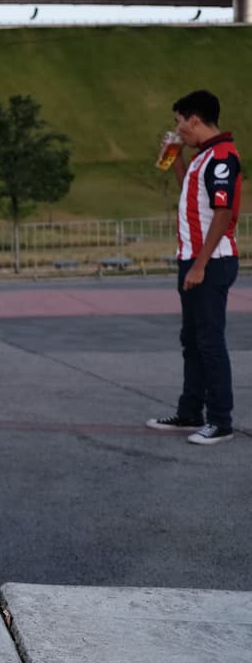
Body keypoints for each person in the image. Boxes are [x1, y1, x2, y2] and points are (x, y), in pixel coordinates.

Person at [146, 90, 241, 445]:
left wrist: (200, 265)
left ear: (195, 119)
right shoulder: (202, 158)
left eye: (179, 121)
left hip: (211, 261)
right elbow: (190, 190)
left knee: (210, 341)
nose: (177, 128)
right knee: (193, 339)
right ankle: (190, 411)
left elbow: (223, 212)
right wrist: (174, 157)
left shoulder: (221, 157)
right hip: (193, 257)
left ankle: (220, 420)